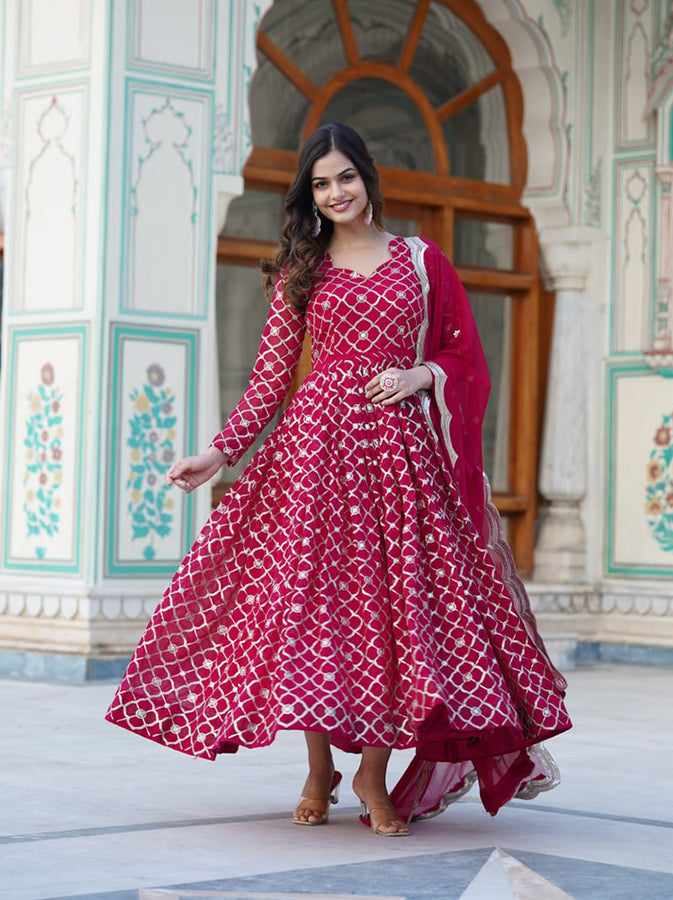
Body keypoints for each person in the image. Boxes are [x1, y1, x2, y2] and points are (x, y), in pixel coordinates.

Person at [106, 122, 571, 837]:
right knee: (313, 618)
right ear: (310, 194)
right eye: (320, 184)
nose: (334, 194)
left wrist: (421, 374)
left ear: (368, 177)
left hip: (400, 462)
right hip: (313, 459)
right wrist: (218, 453)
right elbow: (269, 378)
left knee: (395, 619)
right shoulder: (304, 269)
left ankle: (371, 776)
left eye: (344, 177)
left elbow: (463, 354)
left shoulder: (420, 261)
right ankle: (319, 767)